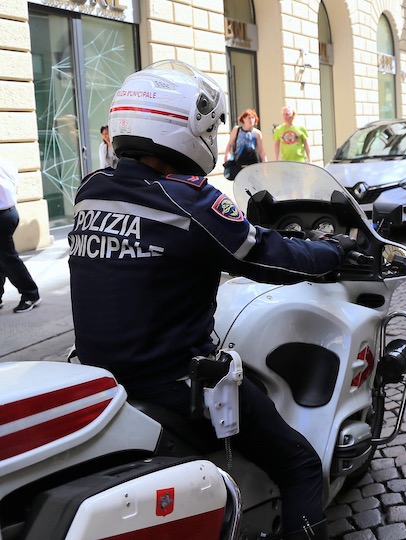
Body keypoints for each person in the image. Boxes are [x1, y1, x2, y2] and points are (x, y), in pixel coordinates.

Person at [68, 60, 352, 539]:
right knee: (301, 464)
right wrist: (332, 252)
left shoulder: (90, 191)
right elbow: (264, 254)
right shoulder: (191, 201)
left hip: (104, 376)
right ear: (185, 127)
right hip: (176, 387)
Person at [0, 157, 41, 313]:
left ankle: (31, 294)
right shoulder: (7, 162)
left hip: (2, 215)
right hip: (10, 212)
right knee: (3, 257)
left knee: (8, 258)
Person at [223, 109, 266, 179]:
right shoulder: (237, 130)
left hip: (252, 163)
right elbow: (229, 145)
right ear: (243, 119)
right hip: (239, 162)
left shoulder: (257, 133)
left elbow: (262, 151)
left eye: (253, 118)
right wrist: (226, 157)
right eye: (249, 118)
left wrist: (265, 166)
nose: (251, 120)